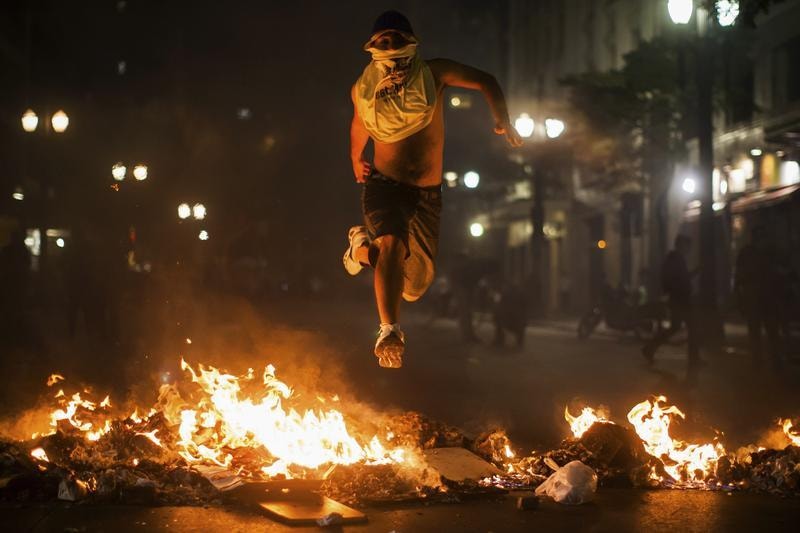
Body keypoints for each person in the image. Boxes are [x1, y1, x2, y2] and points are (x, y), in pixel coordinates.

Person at [342, 11, 521, 368]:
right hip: (384, 187)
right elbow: (359, 125)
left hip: (426, 195)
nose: (389, 43)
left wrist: (502, 117)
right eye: (382, 39)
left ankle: (360, 250)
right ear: (373, 45)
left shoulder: (433, 73)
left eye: (395, 37)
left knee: (414, 286)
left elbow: (486, 80)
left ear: (410, 39)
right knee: (392, 243)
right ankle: (389, 329)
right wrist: (355, 158)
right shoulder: (363, 88)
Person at [642, 234, 700, 365]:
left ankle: (649, 348)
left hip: (678, 299)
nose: (688, 250)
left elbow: (679, 278)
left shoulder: (676, 259)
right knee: (692, 327)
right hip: (680, 300)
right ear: (681, 245)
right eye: (687, 246)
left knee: (676, 327)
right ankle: (694, 358)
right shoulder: (676, 259)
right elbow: (678, 280)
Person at [734, 225, 788, 366]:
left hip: (759, 296)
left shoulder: (751, 252)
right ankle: (770, 358)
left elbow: (739, 276)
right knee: (767, 330)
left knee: (762, 330)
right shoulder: (768, 253)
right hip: (761, 296)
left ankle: (763, 359)